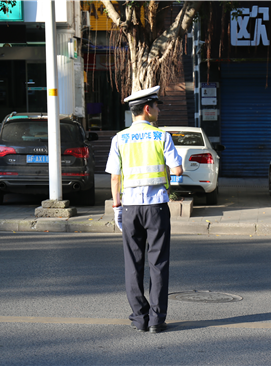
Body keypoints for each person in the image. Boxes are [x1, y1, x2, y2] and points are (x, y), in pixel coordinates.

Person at [105, 85, 183, 333]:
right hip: (156, 207)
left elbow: (115, 178)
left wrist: (116, 207)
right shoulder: (162, 137)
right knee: (158, 263)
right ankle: (157, 320)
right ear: (147, 109)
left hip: (129, 208)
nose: (159, 110)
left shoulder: (119, 138)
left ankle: (140, 318)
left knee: (133, 263)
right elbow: (178, 170)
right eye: (157, 106)